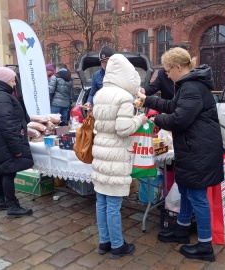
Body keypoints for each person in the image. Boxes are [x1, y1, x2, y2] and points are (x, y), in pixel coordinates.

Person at [136, 47, 224, 261]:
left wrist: (155, 120)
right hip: (192, 149)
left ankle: (205, 246)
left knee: (197, 196)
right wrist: (146, 99)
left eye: (167, 70)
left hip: (199, 152)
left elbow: (178, 119)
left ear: (177, 67)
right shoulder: (187, 86)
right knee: (185, 190)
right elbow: (170, 105)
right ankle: (181, 230)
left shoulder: (192, 88)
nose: (166, 74)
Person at [91, 54, 148, 259]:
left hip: (101, 151)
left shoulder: (100, 94)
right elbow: (123, 129)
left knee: (102, 201)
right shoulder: (123, 97)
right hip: (116, 153)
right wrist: (140, 118)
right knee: (113, 204)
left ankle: (104, 242)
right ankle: (117, 245)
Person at [0, 67, 34, 219]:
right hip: (4, 139)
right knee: (9, 171)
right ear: (3, 81)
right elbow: (7, 124)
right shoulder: (1, 97)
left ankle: (0, 200)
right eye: (11, 80)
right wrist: (16, 147)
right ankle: (12, 205)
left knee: (1, 169)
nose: (13, 84)